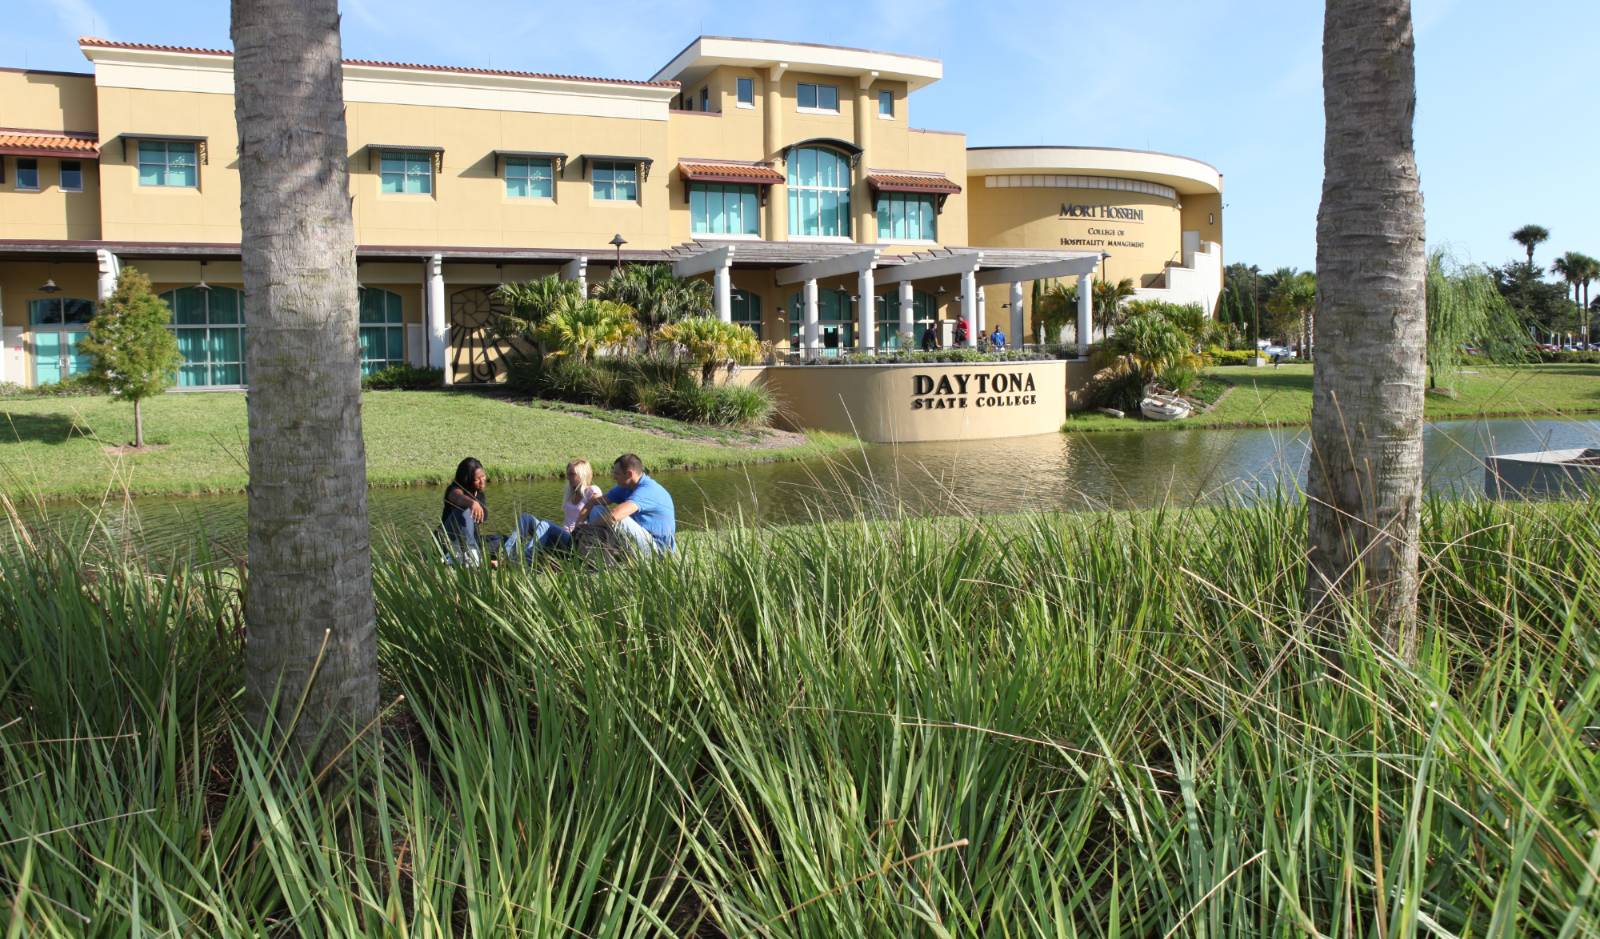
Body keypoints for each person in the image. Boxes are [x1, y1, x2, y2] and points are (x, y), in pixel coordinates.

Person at [579, 453, 676, 555]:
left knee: (620, 519)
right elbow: (595, 501)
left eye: (617, 473)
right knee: (597, 509)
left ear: (629, 474)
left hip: (659, 550)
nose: (613, 477)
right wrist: (578, 525)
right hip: (642, 540)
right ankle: (596, 550)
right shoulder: (626, 486)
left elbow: (614, 516)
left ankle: (598, 550)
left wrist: (587, 529)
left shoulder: (648, 490)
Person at [511, 459, 603, 558]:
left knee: (546, 524)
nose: (568, 478)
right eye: (568, 474)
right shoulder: (571, 493)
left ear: (583, 475)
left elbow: (598, 517)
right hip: (564, 536)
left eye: (572, 474)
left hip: (576, 540)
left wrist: (577, 529)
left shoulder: (592, 490)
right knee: (526, 518)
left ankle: (523, 559)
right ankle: (504, 556)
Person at [440, 456, 493, 564]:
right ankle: (464, 556)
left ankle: (477, 553)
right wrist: (472, 503)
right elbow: (457, 497)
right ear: (467, 480)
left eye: (483, 476)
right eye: (477, 479)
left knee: (501, 539)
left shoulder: (479, 493)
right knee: (466, 511)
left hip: (471, 539)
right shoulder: (453, 490)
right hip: (451, 540)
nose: (482, 481)